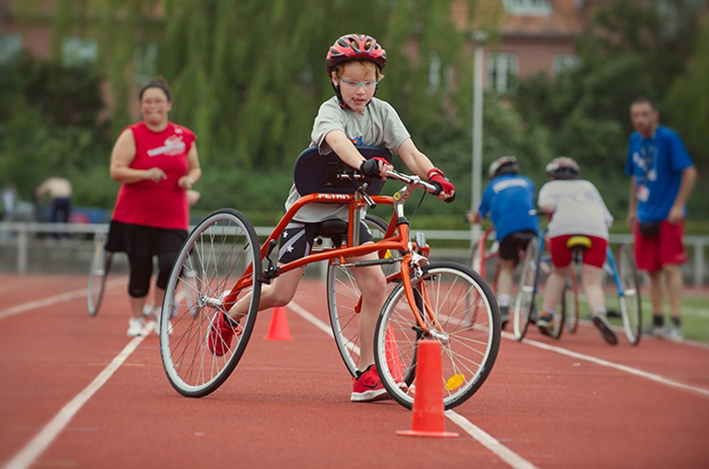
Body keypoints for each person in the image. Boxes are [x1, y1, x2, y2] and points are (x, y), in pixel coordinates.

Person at [210, 33, 455, 402]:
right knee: (281, 293)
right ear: (335, 79)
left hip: (352, 210)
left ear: (378, 81)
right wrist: (364, 162)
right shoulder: (330, 112)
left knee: (375, 286)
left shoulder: (384, 113)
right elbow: (338, 143)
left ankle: (367, 374)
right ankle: (230, 315)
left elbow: (410, 151)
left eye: (368, 82)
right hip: (310, 208)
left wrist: (434, 175)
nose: (361, 90)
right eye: (352, 82)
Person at [107, 77, 202, 337]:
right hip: (135, 216)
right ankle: (136, 318)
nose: (153, 106)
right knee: (140, 269)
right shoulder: (132, 134)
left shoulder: (182, 136)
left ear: (168, 104)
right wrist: (145, 174)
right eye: (147, 102)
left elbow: (195, 167)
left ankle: (160, 310)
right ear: (141, 107)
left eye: (158, 101)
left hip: (173, 216)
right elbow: (116, 171)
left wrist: (189, 181)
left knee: (173, 263)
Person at [626, 97, 696, 341]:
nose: (640, 120)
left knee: (670, 267)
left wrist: (678, 206)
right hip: (645, 214)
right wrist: (632, 210)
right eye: (636, 115)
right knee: (651, 271)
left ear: (655, 115)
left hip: (668, 215)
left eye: (645, 114)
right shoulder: (635, 140)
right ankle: (657, 321)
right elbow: (636, 177)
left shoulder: (668, 138)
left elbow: (689, 172)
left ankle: (675, 322)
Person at [537, 157, 617, 345]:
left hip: (563, 232)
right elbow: (608, 219)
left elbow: (548, 207)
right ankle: (599, 312)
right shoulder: (589, 186)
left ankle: (547, 315)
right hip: (595, 232)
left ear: (552, 175)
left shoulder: (549, 188)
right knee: (592, 282)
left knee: (559, 272)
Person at [466, 156, 539, 328]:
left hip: (507, 229)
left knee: (506, 266)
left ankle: (504, 307)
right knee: (530, 264)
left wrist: (471, 218)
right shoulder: (528, 182)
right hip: (530, 227)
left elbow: (478, 216)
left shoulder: (492, 186)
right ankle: (531, 303)